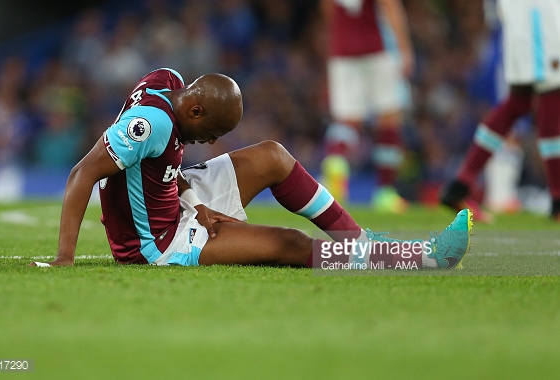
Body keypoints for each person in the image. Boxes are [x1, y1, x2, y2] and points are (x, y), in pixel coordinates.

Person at [31, 68, 472, 270]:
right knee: (290, 245)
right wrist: (65, 258)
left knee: (272, 157)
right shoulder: (155, 123)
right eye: (212, 133)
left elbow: (152, 170)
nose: (211, 143)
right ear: (197, 109)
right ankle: (417, 258)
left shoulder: (165, 82)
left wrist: (194, 201)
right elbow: (82, 174)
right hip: (158, 242)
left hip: (180, 201)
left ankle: (357, 239)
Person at [441, 0, 560, 222]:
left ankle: (460, 186)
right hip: (537, 11)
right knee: (551, 93)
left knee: (519, 101)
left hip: (526, 13)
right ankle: (558, 200)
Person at [320, 0, 414, 213]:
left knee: (348, 120)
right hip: (377, 49)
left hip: (342, 52)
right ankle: (385, 192)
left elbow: (327, 10)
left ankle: (335, 161)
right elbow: (390, 6)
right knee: (389, 117)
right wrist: (404, 47)